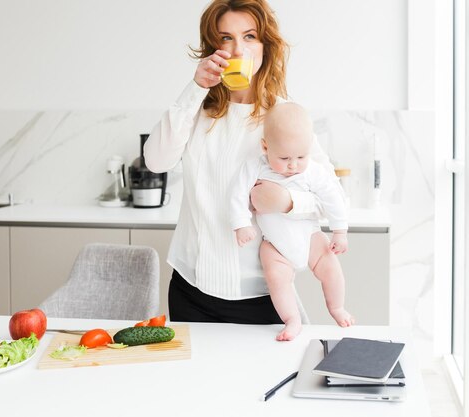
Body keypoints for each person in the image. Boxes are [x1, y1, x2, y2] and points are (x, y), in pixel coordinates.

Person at [144, 0, 342, 327]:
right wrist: (196, 88)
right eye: (225, 38)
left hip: (262, 296)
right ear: (213, 48)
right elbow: (155, 161)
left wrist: (288, 201)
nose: (237, 49)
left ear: (266, 46)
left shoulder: (283, 118)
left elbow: (330, 196)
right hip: (190, 291)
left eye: (249, 36)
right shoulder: (196, 111)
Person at [231, 102, 355, 341]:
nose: (293, 164)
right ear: (265, 147)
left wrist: (340, 230)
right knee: (277, 278)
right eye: (285, 157)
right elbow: (236, 194)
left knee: (331, 268)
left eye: (301, 156)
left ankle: (337, 307)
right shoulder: (256, 167)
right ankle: (292, 318)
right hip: (275, 245)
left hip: (310, 236)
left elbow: (333, 198)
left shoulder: (313, 171)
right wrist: (241, 223)